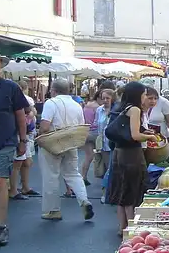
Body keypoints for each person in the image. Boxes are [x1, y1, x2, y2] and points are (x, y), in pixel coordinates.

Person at [38, 79, 93, 221]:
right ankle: (84, 200)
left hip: (53, 143)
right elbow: (81, 125)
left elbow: (45, 126)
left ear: (53, 90)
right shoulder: (76, 105)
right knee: (73, 174)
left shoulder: (51, 103)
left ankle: (53, 210)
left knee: (51, 175)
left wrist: (38, 136)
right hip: (71, 143)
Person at [0, 49, 28, 245]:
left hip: (5, 143)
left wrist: (23, 140)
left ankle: (1, 226)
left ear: (0, 66)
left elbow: (20, 115)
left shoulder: (10, 87)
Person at [107, 82, 155, 236]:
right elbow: (135, 136)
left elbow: (128, 130)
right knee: (131, 192)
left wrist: (144, 130)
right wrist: (150, 136)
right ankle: (132, 230)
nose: (145, 97)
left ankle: (122, 228)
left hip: (119, 153)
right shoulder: (134, 109)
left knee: (122, 190)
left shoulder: (124, 108)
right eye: (144, 94)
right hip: (131, 155)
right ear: (137, 95)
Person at [9, 80, 40, 200]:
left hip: (27, 134)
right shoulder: (13, 99)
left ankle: (25, 187)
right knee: (17, 162)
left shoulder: (25, 99)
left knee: (27, 162)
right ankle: (13, 189)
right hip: (19, 134)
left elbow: (32, 111)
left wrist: (31, 113)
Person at [146, 86, 169, 152]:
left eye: (155, 98)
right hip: (144, 142)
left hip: (162, 143)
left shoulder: (163, 102)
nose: (153, 100)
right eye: (150, 98)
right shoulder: (139, 103)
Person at [96, 89, 115, 203]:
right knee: (106, 168)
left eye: (107, 98)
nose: (105, 100)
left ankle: (107, 193)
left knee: (110, 169)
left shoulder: (115, 110)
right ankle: (108, 191)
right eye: (103, 98)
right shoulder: (99, 110)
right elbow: (98, 126)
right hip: (102, 143)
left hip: (112, 143)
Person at [79, 91, 100, 186]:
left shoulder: (87, 105)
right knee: (101, 155)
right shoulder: (98, 107)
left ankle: (83, 176)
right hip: (96, 132)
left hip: (86, 131)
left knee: (88, 156)